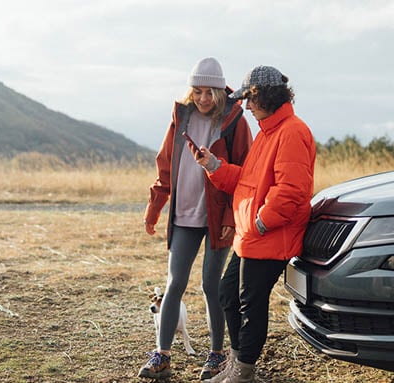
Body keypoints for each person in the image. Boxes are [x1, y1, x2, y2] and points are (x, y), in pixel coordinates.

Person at [194, 66, 315, 383]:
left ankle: (243, 372)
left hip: (269, 237)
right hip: (251, 237)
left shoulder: (291, 132)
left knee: (249, 305)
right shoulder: (267, 132)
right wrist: (214, 165)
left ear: (264, 96)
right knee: (228, 296)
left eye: (249, 99)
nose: (246, 106)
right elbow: (248, 182)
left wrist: (261, 222)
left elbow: (291, 191)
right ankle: (238, 366)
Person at [140, 57, 253, 380]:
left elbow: (246, 173)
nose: (204, 98)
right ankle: (162, 354)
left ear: (220, 93)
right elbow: (165, 165)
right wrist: (154, 208)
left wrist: (234, 214)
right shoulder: (181, 118)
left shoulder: (234, 122)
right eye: (198, 91)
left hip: (219, 218)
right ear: (191, 92)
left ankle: (216, 355)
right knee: (174, 283)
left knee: (210, 285)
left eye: (210, 92)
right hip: (185, 214)